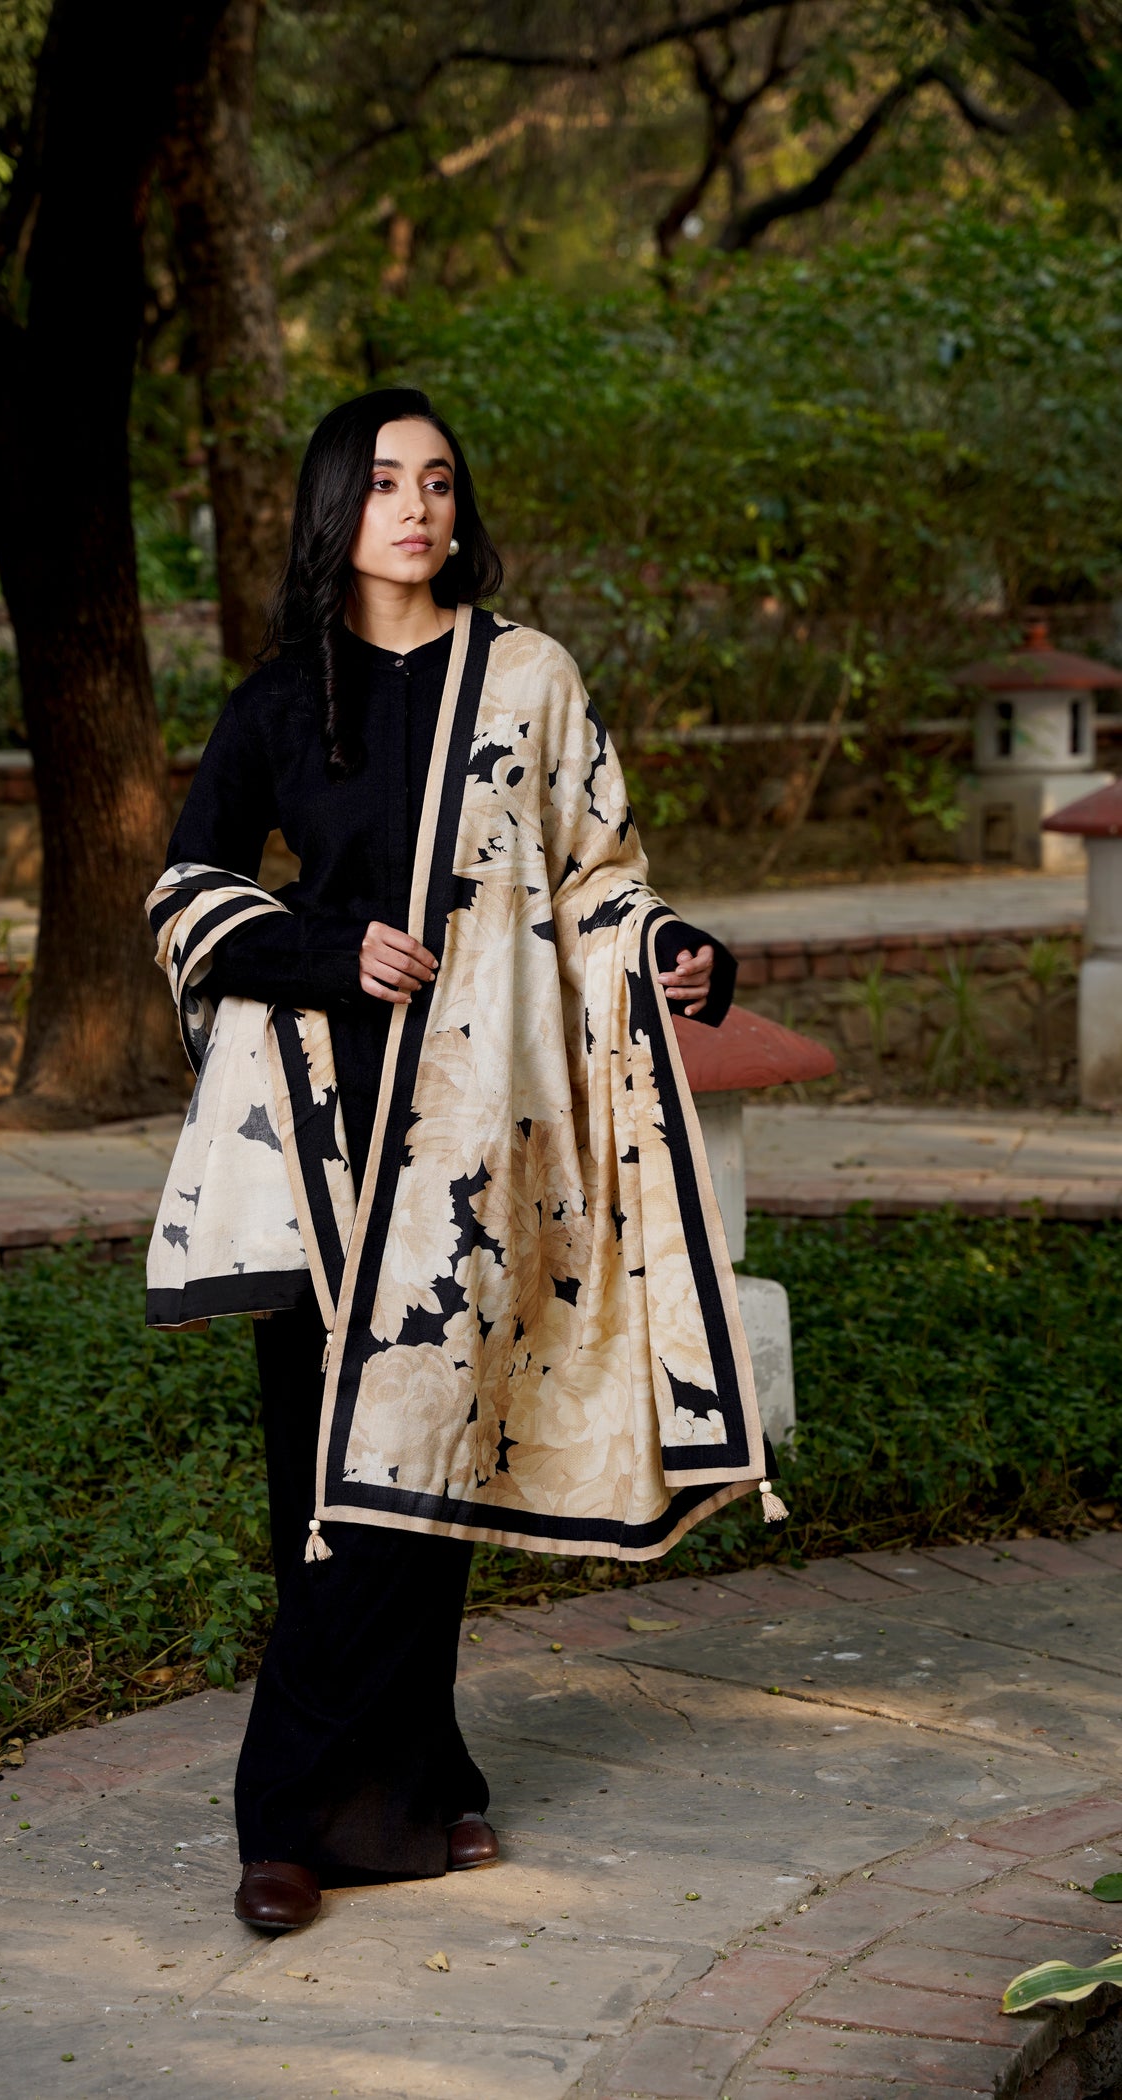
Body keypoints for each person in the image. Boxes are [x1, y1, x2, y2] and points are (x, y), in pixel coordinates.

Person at [146, 387, 775, 1937]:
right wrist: (325, 950)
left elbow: (598, 873)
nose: (416, 508)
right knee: (330, 1481)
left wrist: (672, 950)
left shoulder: (529, 678)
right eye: (383, 483)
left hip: (482, 1132)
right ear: (333, 507)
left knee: (439, 1455)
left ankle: (415, 1787)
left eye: (437, 481)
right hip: (322, 1133)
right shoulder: (280, 702)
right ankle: (288, 1822)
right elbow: (186, 890)